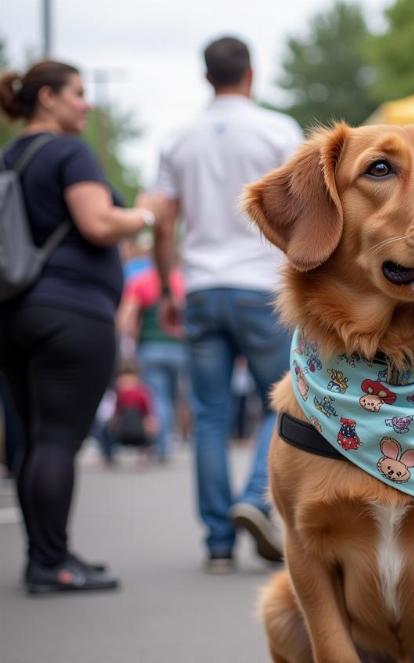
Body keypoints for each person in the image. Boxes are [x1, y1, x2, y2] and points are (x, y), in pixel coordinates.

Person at [0, 61, 166, 593]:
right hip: (72, 313)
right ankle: (52, 564)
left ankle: (47, 555)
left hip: (16, 311)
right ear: (47, 98)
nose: (85, 103)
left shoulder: (12, 157)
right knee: (55, 440)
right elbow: (97, 224)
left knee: (30, 441)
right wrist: (143, 215)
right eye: (77, 93)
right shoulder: (69, 152)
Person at [154, 36, 303, 572]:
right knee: (285, 398)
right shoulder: (277, 129)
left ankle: (217, 541)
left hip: (199, 286)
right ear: (251, 73)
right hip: (261, 286)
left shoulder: (178, 139)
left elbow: (165, 220)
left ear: (205, 76)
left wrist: (169, 286)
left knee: (211, 416)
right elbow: (298, 209)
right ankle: (257, 494)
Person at [117, 235, 186, 462]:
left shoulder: (141, 280)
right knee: (174, 397)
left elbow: (126, 317)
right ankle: (168, 440)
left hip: (150, 348)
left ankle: (161, 446)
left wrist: (128, 341)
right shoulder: (182, 281)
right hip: (179, 349)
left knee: (157, 398)